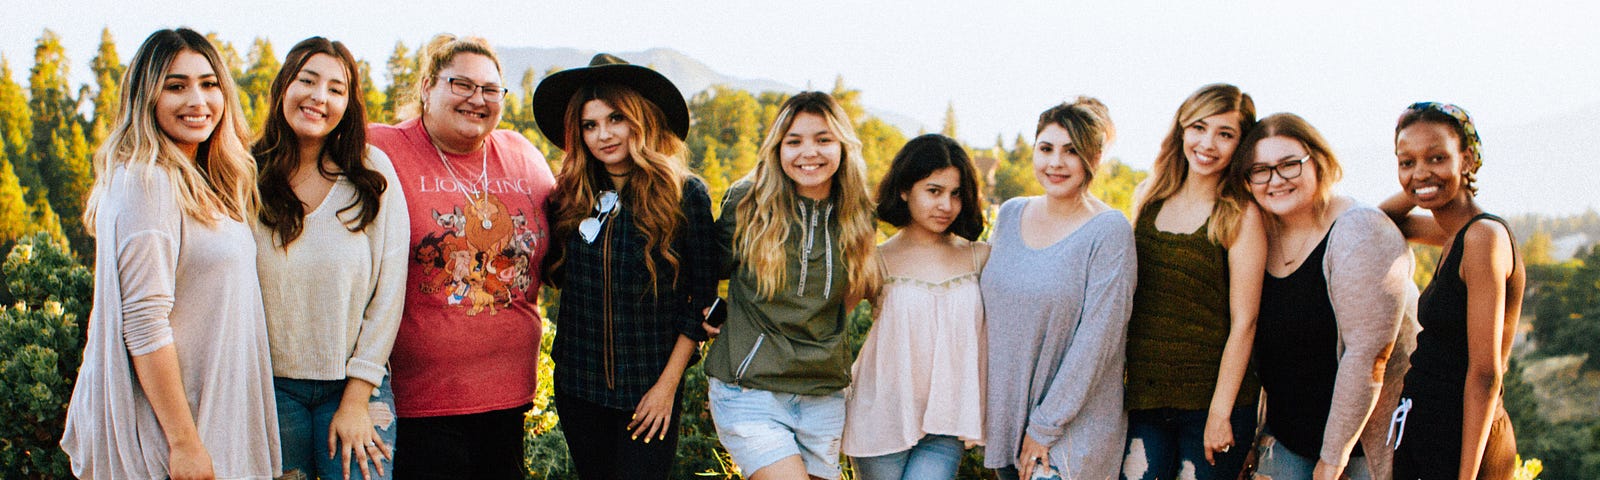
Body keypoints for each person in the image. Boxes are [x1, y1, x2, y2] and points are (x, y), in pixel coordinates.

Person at [62, 28, 280, 479]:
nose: (197, 100)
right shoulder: (149, 181)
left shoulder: (199, 180)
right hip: (171, 436)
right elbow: (144, 324)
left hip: (207, 416)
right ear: (146, 97)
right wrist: (184, 443)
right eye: (176, 86)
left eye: (209, 83)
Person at [366, 33, 555, 479]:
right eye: (462, 85)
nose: (477, 99)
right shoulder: (380, 148)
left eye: (490, 90)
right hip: (417, 402)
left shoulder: (522, 155)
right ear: (428, 86)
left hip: (509, 397)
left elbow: (572, 237)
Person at [530, 53, 717, 479]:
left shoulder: (684, 194)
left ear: (641, 120)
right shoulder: (569, 196)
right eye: (589, 125)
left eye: (615, 118)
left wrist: (666, 389)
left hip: (650, 389)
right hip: (578, 388)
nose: (603, 135)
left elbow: (701, 303)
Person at [703, 91, 882, 480]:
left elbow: (847, 300)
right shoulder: (747, 204)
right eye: (794, 141)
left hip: (824, 394)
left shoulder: (858, 215)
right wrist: (703, 310)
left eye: (823, 139)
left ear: (842, 146)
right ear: (777, 148)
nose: (809, 153)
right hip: (750, 390)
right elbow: (703, 268)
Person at [253, 36, 408, 480]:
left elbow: (388, 293)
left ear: (349, 103)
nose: (319, 97)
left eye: (336, 88)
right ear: (284, 85)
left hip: (356, 385)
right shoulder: (245, 174)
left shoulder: (372, 172)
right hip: (269, 389)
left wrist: (357, 398)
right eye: (307, 80)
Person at [1234, 113, 1417, 480]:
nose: (1276, 180)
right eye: (1261, 170)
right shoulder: (1259, 233)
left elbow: (1368, 356)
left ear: (1319, 162)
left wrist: (1333, 461)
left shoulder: (1359, 230)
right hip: (1287, 437)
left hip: (1358, 448)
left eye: (1289, 165)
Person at [983, 97, 1137, 480]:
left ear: (1095, 158)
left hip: (1070, 431)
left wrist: (1045, 426)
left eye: (1071, 151)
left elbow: (1098, 340)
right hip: (1008, 421)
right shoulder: (1010, 214)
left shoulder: (1109, 231)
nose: (1055, 162)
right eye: (1046, 149)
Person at [1122, 83, 1267, 480]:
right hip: (1146, 401)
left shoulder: (1239, 214)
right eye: (1199, 127)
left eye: (1225, 134)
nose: (1208, 143)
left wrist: (1220, 413)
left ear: (1241, 144)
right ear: (1182, 130)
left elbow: (1245, 322)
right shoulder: (1149, 201)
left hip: (1211, 406)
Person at [1381, 102, 1524, 480]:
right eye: (1406, 161)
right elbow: (1379, 222)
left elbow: (1484, 374)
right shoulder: (1454, 234)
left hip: (1462, 441)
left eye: (1437, 157)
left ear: (1468, 159)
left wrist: (1466, 476)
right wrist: (1420, 183)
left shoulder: (1483, 238)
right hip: (1424, 426)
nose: (1420, 170)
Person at [843, 134, 988, 480]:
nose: (946, 205)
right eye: (934, 191)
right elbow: (825, 327)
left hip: (947, 421)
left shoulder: (980, 257)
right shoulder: (875, 261)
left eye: (956, 194)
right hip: (879, 417)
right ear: (905, 189)